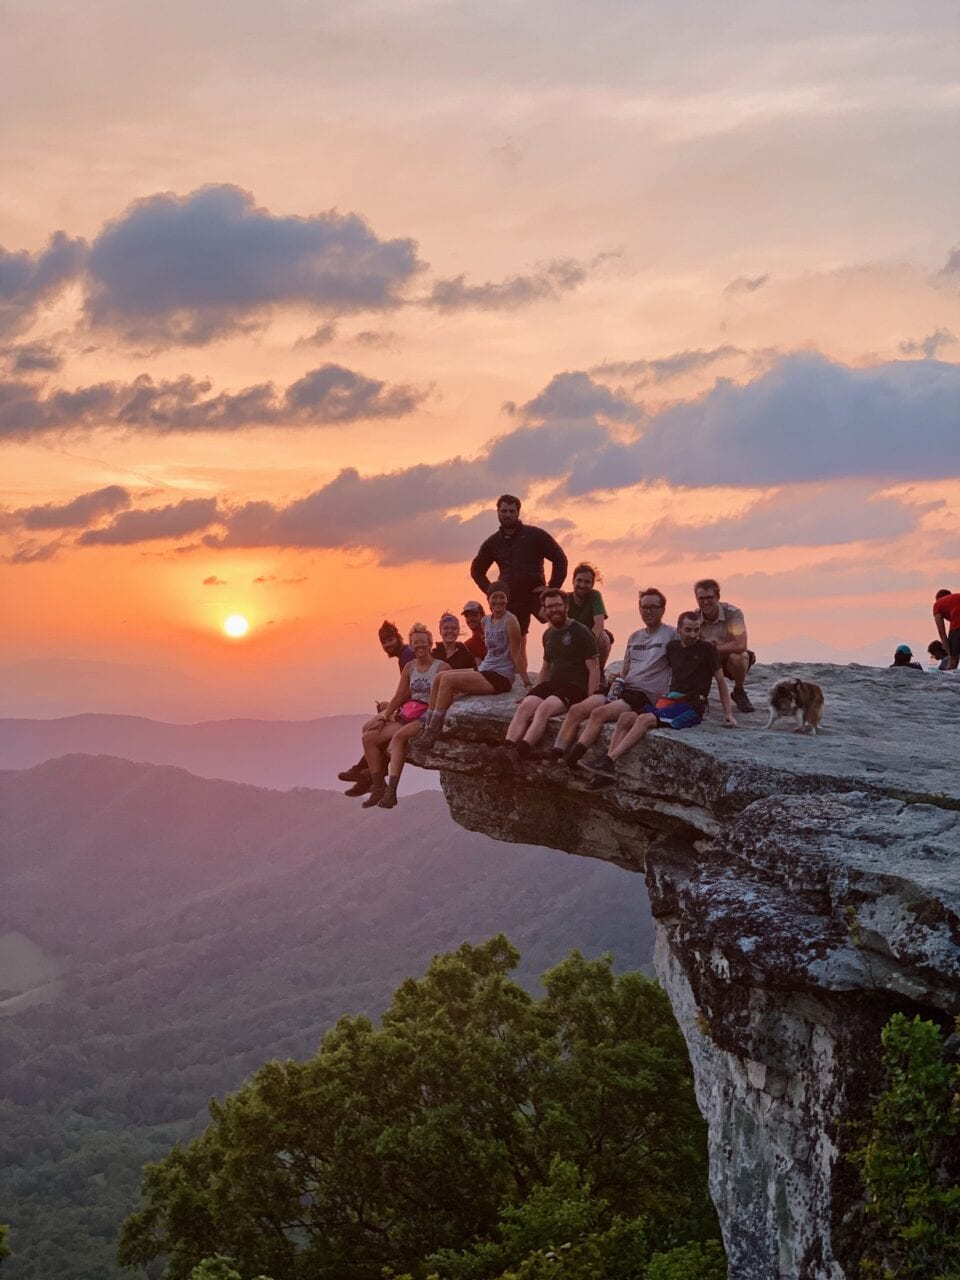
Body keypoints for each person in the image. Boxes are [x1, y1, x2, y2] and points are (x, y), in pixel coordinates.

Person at [584, 611, 736, 790]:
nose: (693, 635)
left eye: (696, 630)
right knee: (626, 717)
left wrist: (728, 714)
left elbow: (720, 682)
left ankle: (609, 760)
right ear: (679, 629)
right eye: (688, 630)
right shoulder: (672, 648)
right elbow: (654, 666)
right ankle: (606, 773)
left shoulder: (707, 650)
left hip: (691, 706)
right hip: (669, 701)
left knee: (644, 719)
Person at [550, 588, 675, 769]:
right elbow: (626, 668)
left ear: (663, 609)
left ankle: (573, 760)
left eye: (653, 607)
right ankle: (555, 755)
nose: (648, 611)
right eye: (644, 607)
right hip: (624, 686)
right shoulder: (635, 636)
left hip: (643, 693)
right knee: (577, 709)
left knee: (599, 713)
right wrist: (618, 680)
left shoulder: (671, 634)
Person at [494, 588, 599, 770]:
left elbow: (594, 667)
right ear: (544, 610)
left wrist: (590, 699)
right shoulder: (548, 634)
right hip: (553, 684)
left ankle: (521, 751)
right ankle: (507, 747)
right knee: (525, 706)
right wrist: (534, 691)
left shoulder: (581, 632)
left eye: (558, 605)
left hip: (575, 686)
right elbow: (546, 666)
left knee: (544, 709)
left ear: (566, 606)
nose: (554, 610)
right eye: (549, 607)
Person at [418, 582, 528, 747]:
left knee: (448, 681)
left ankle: (433, 731)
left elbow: (516, 653)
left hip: (500, 676)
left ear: (507, 599)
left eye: (502, 597)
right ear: (488, 600)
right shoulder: (486, 621)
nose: (498, 601)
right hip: (485, 669)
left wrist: (526, 682)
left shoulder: (511, 621)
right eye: (494, 597)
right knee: (440, 677)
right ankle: (428, 724)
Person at [356, 623, 449, 809]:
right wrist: (386, 715)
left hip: (426, 714)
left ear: (430, 643)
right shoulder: (409, 667)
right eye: (416, 643)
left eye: (423, 642)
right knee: (368, 738)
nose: (420, 646)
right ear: (411, 645)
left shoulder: (442, 667)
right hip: (409, 712)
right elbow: (400, 695)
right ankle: (378, 788)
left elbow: (446, 696)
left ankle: (391, 792)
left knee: (398, 738)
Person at [470, 494, 568, 650]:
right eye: (504, 511)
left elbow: (560, 559)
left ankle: (561, 660)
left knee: (556, 620)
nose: (507, 514)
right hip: (511, 598)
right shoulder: (493, 543)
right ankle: (519, 675)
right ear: (498, 512)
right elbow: (477, 571)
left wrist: (552, 588)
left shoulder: (535, 535)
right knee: (517, 643)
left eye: (511, 511)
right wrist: (493, 593)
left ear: (518, 512)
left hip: (536, 593)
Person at [339, 620, 417, 795]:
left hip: (413, 709)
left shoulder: (407, 655)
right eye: (384, 642)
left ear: (398, 637)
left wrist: (389, 712)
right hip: (409, 706)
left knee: (371, 730)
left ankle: (365, 774)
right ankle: (366, 775)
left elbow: (410, 690)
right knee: (374, 725)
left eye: (390, 640)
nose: (387, 645)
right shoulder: (404, 656)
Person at [693, 578, 755, 712]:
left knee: (739, 657)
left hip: (726, 658)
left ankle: (739, 691)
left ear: (718, 597)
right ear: (696, 599)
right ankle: (699, 695)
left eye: (710, 597)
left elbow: (741, 645)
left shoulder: (733, 614)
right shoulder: (694, 618)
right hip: (706, 659)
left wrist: (712, 648)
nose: (705, 602)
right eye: (701, 598)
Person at [566, 562, 613, 669]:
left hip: (590, 639)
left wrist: (586, 645)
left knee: (604, 638)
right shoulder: (565, 599)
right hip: (569, 640)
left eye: (587, 582)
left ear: (592, 584)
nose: (582, 585)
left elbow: (599, 624)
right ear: (573, 581)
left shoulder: (595, 596)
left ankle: (599, 673)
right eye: (579, 580)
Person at [933, 588, 960, 671]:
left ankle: (949, 682)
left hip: (957, 624)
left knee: (953, 661)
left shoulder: (937, 604)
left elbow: (942, 632)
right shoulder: (956, 598)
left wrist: (949, 653)